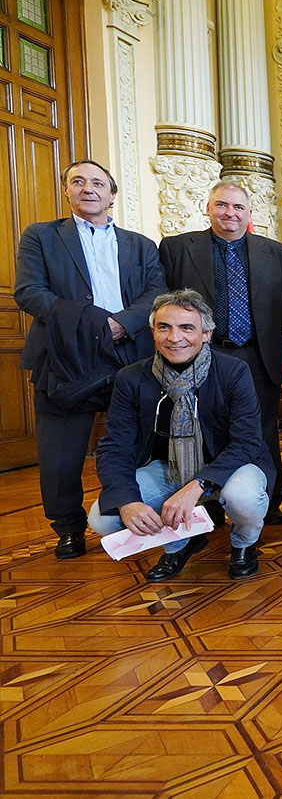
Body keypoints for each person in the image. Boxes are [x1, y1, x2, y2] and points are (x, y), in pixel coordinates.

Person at [15, 160, 167, 559]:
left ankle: (135, 515)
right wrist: (91, 326)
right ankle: (67, 527)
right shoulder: (41, 236)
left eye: (98, 183)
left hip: (129, 350)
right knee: (61, 453)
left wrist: (120, 324)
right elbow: (30, 292)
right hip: (65, 355)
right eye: (78, 181)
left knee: (138, 443)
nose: (88, 188)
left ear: (111, 194)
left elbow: (155, 293)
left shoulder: (141, 245)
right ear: (66, 191)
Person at [89, 290, 271, 581]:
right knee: (102, 518)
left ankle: (243, 544)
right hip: (166, 467)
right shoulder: (131, 378)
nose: (174, 338)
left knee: (243, 497)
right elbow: (114, 447)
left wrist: (198, 485)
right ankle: (180, 544)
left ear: (206, 334)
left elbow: (247, 440)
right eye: (164, 327)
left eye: (186, 327)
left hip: (229, 466)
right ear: (153, 332)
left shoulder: (233, 371)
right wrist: (127, 502)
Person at [158, 181, 282, 526]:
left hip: (257, 355)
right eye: (222, 205)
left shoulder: (277, 253)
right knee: (203, 428)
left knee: (263, 430)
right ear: (208, 208)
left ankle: (268, 501)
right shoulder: (178, 248)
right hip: (202, 356)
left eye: (238, 207)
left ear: (249, 213)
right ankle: (207, 504)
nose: (230, 213)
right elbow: (166, 301)